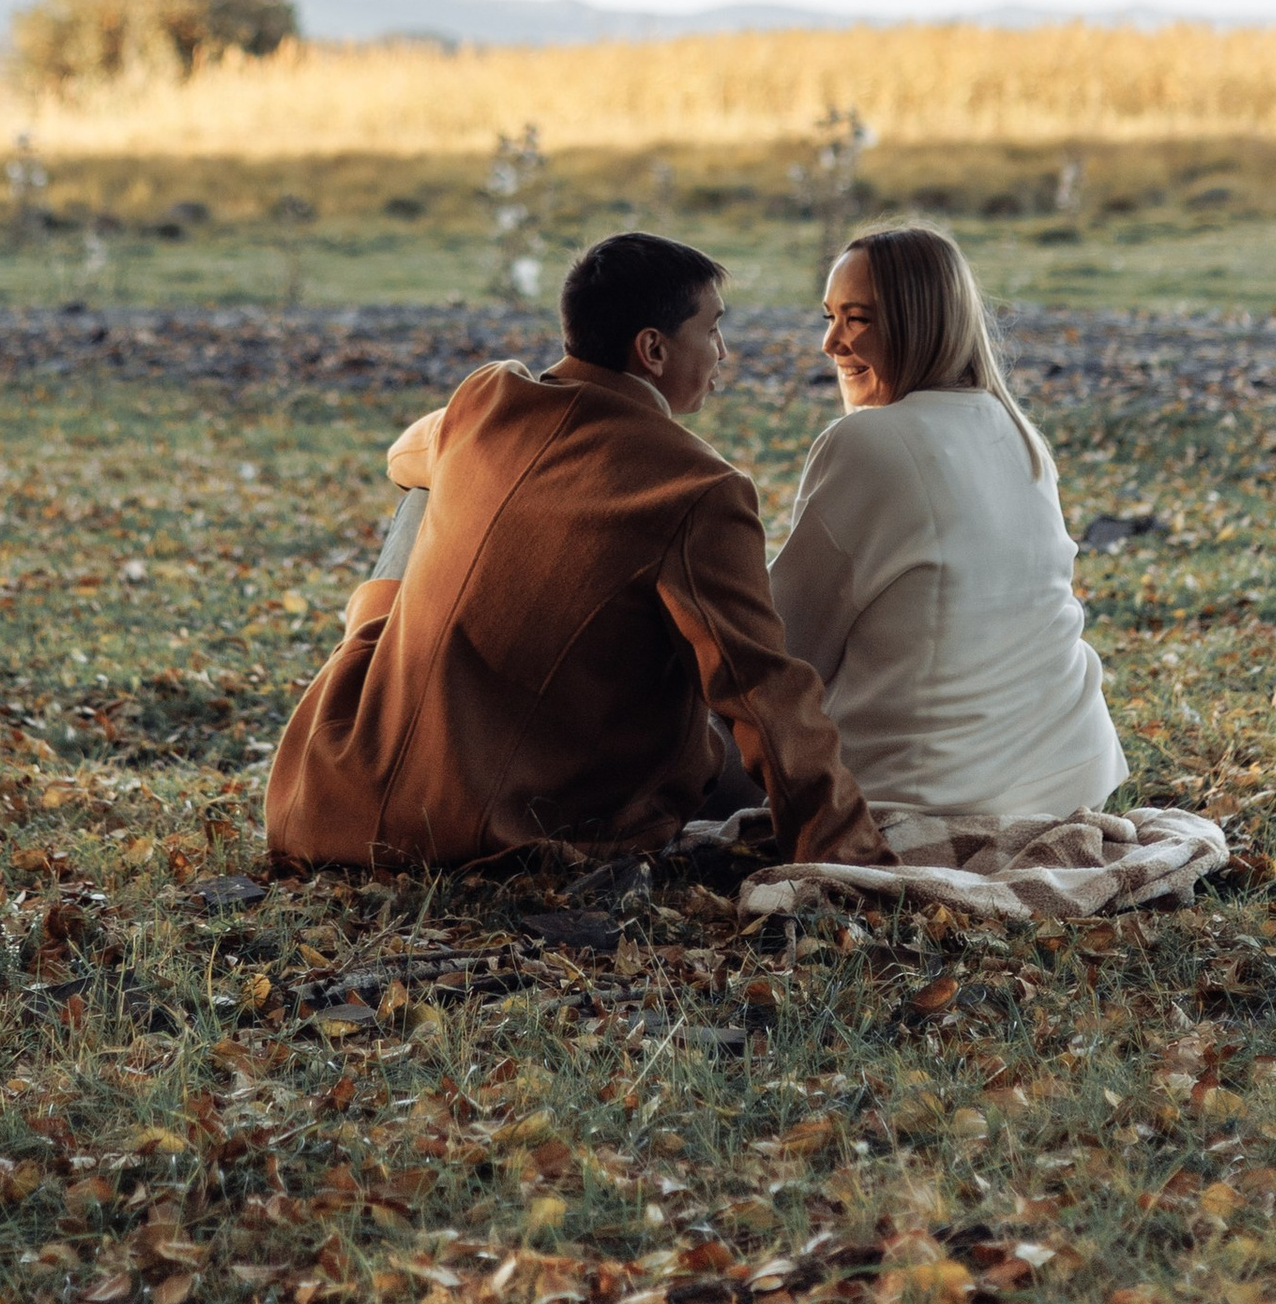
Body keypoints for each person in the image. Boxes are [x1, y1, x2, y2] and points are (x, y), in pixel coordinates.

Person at [263, 231, 881, 869]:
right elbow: (761, 690)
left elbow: (402, 459)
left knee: (423, 496)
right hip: (501, 827)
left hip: (329, 795)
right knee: (719, 720)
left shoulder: (484, 400)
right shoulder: (698, 489)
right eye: (713, 329)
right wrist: (847, 854)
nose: (722, 352)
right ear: (653, 349)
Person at [768, 222, 1125, 844]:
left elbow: (784, 648)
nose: (831, 343)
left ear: (919, 323)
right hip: (1071, 771)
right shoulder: (1016, 431)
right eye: (829, 317)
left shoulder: (867, 443)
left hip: (936, 792)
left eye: (857, 319)